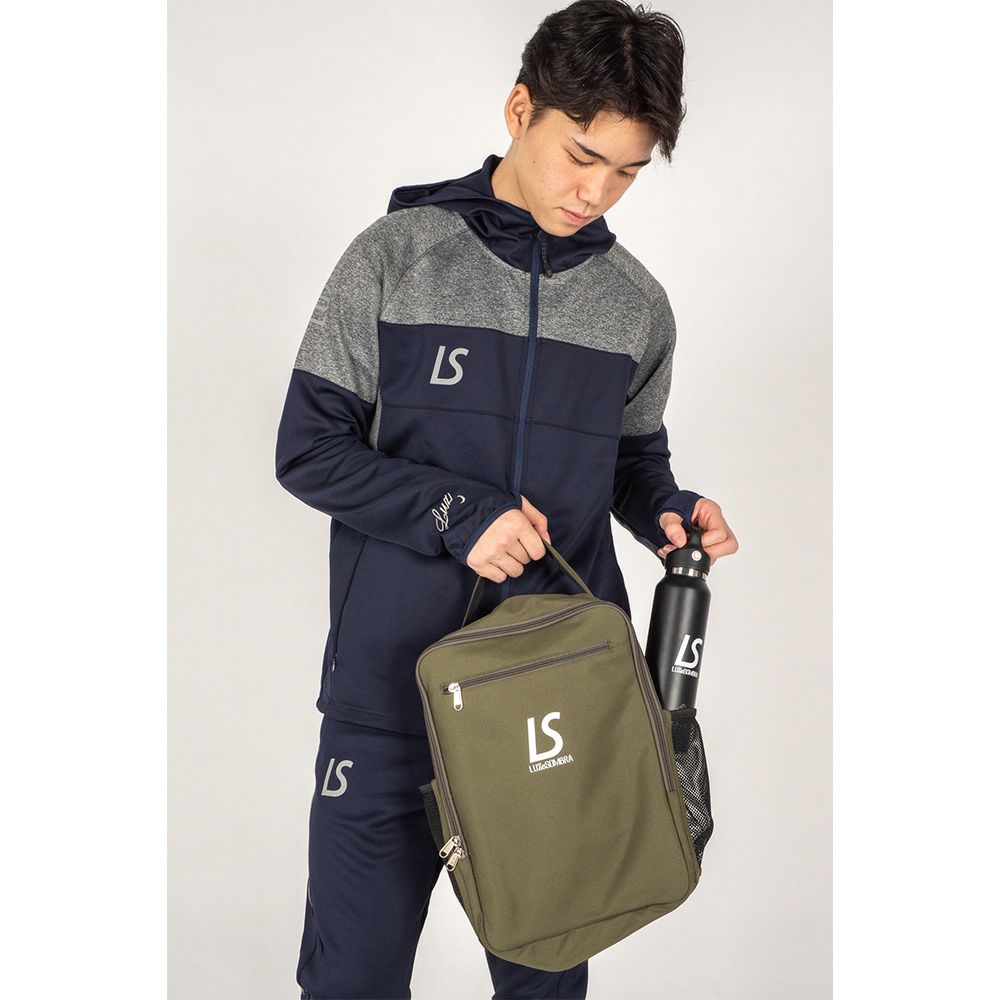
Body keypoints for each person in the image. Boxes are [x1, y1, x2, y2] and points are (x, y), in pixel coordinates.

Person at [275, 1, 738, 996]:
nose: (596, 191)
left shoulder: (635, 304)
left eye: (627, 171)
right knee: (350, 980)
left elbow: (630, 461)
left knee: (544, 982)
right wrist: (456, 514)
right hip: (390, 698)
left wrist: (667, 506)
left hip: (560, 697)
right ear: (520, 109)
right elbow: (307, 451)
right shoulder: (393, 257)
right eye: (581, 155)